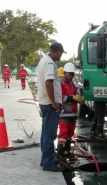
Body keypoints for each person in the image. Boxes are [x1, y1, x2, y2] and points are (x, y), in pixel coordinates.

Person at [37, 42, 66, 172]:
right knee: (50, 133)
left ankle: (45, 159)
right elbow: (48, 83)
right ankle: (48, 162)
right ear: (57, 51)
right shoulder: (49, 63)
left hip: (45, 103)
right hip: (49, 105)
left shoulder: (43, 60)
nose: (61, 56)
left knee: (45, 132)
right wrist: (54, 102)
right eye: (61, 53)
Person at [57, 62, 83, 161]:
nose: (71, 76)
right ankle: (60, 154)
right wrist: (72, 98)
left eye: (72, 74)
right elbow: (60, 97)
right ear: (64, 73)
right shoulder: (61, 83)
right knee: (63, 133)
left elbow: (76, 94)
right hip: (64, 113)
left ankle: (66, 152)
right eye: (69, 74)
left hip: (72, 114)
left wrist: (79, 98)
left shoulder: (72, 84)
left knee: (69, 134)